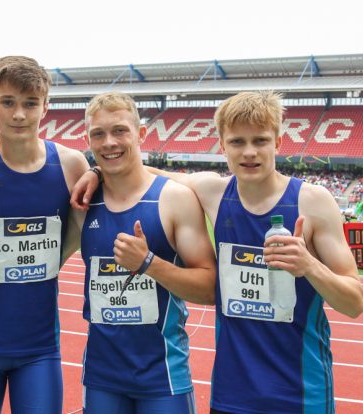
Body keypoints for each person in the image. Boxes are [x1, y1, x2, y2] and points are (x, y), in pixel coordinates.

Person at [72, 91, 363, 413]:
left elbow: (353, 303)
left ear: (278, 143)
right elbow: (137, 170)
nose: (249, 152)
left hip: (300, 392)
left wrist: (309, 265)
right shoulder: (213, 191)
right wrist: (95, 171)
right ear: (222, 146)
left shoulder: (312, 202)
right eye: (238, 142)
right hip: (230, 394)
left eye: (260, 141)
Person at [0, 56, 89, 414]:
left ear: (46, 107)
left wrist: (54, 258)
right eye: (8, 102)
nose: (19, 115)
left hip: (39, 345)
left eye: (30, 103)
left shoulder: (71, 164)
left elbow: (80, 230)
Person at [67, 92, 216, 413]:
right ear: (88, 140)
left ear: (141, 134)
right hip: (101, 377)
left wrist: (149, 264)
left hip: (162, 377)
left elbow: (210, 287)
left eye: (120, 130)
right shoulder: (82, 202)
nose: (109, 142)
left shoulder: (175, 199)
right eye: (98, 134)